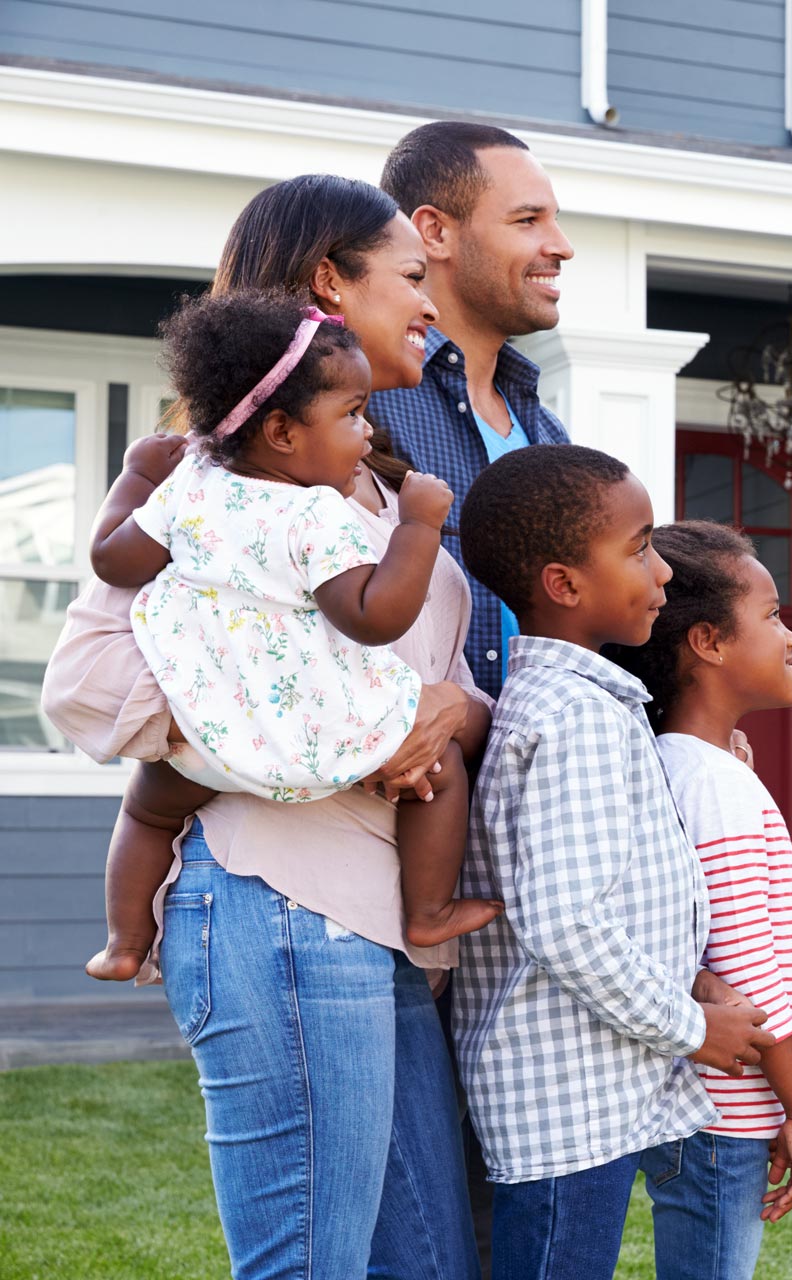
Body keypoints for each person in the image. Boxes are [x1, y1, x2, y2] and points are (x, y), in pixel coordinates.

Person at [41, 173, 488, 1280]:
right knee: (306, 1265)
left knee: (429, 1264)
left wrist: (451, 712)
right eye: (411, 278)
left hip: (377, 928)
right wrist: (322, 738)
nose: (431, 305)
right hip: (283, 912)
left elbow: (431, 683)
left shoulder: (369, 490)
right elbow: (89, 689)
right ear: (331, 283)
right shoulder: (214, 487)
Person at [82, 290, 501, 983]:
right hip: (325, 733)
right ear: (280, 431)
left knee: (147, 810)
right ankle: (428, 910)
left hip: (214, 730)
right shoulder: (316, 513)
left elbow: (113, 560)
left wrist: (135, 475)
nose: (366, 434)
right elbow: (374, 614)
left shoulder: (190, 488)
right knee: (439, 771)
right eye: (352, 414)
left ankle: (126, 941)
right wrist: (419, 527)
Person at [452, 445, 779, 1280]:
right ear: (564, 584)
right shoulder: (578, 720)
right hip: (566, 1108)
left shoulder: (580, 703)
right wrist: (694, 1026)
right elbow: (565, 922)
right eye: (638, 548)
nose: (663, 569)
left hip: (583, 1094)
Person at [609, 521, 792, 1277]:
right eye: (771, 616)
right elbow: (747, 974)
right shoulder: (712, 785)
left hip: (701, 1105)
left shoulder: (682, 767)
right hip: (724, 1113)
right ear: (708, 642)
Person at [371, 121, 575, 699]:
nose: (560, 245)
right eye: (528, 220)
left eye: (555, 220)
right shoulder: (362, 405)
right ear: (434, 232)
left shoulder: (549, 436)